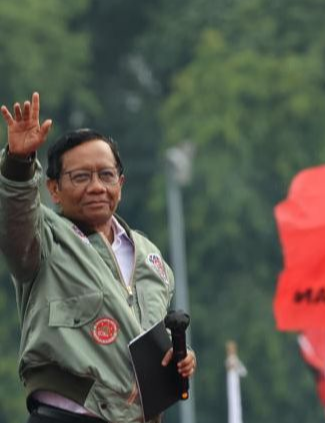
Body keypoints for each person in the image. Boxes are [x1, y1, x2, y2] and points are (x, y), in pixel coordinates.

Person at [0, 92, 196, 423]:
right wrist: (19, 163)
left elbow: (150, 344)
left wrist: (180, 360)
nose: (96, 187)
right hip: (64, 415)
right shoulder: (45, 237)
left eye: (106, 175)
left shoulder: (151, 258)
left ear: (120, 183)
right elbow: (15, 220)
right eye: (80, 177)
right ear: (54, 189)